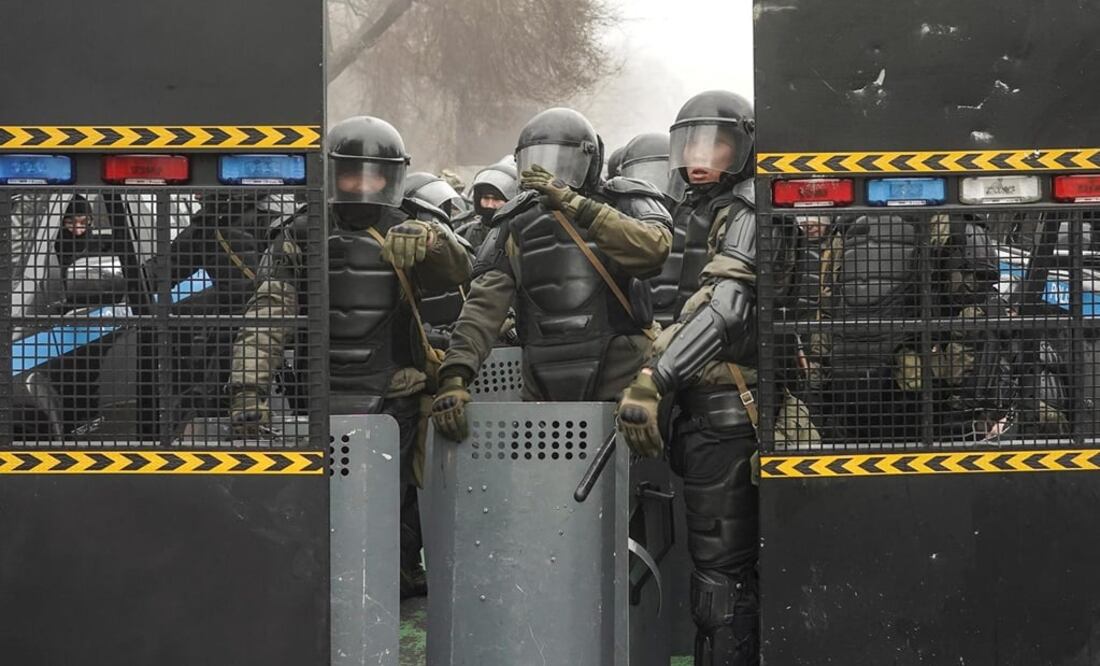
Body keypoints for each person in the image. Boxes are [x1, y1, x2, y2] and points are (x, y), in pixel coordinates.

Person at [227, 115, 472, 599]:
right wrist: (247, 389)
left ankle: (393, 579)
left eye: (375, 175)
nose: (363, 185)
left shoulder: (415, 228)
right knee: (320, 502)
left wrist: (433, 240)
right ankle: (323, 590)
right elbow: (267, 316)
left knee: (393, 500)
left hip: (395, 393)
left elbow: (462, 271)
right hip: (320, 396)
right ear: (332, 173)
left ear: (393, 177)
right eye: (351, 173)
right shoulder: (299, 233)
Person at [616, 90, 762, 666]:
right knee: (711, 569)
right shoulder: (684, 211)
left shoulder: (748, 209)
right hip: (691, 408)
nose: (701, 157)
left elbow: (726, 309)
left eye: (718, 143)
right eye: (692, 142)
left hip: (728, 408)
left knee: (721, 577)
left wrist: (655, 378)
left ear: (745, 147)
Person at [430, 107, 672, 440]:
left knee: (633, 484)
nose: (549, 172)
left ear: (590, 159)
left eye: (562, 160)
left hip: (622, 382)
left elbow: (653, 249)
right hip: (543, 388)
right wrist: (455, 375)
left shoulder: (622, 200)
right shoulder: (513, 223)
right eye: (537, 160)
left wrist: (578, 205)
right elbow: (483, 306)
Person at [454, 160, 519, 252]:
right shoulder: (465, 234)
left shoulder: (521, 233)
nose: (489, 205)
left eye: (496, 199)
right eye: (486, 198)